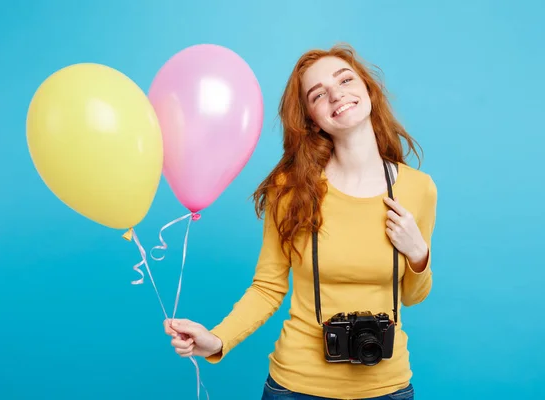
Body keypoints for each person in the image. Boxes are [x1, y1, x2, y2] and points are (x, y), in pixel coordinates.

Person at [163, 43, 438, 400]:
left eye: (345, 80)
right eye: (318, 94)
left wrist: (419, 254)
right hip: (296, 387)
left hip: (387, 387)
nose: (337, 95)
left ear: (368, 89)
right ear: (311, 118)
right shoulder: (290, 190)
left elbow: (413, 296)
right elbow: (267, 287)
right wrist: (217, 339)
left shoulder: (418, 189)